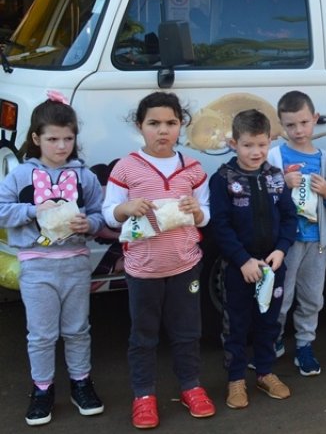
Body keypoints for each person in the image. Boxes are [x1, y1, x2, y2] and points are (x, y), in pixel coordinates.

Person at [102, 92, 214, 429]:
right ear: (140, 126)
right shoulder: (126, 168)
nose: (162, 131)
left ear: (181, 126)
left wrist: (198, 212)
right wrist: (125, 209)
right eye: (154, 123)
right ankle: (144, 395)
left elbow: (206, 214)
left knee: (187, 333)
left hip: (185, 264)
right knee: (144, 336)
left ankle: (191, 386)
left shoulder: (193, 169)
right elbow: (109, 214)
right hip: (143, 269)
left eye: (170, 123)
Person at [0, 98, 105, 426]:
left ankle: (81, 384)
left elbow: (101, 216)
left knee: (77, 330)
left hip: (75, 262)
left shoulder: (84, 176)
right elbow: (1, 209)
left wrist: (89, 225)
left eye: (68, 139)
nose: (62, 146)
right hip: (37, 265)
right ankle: (42, 388)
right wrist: (33, 210)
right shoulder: (20, 175)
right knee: (41, 334)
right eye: (53, 139)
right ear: (36, 139)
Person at [208, 109, 297, 408]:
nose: (256, 152)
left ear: (269, 142)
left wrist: (281, 249)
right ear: (234, 144)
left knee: (269, 323)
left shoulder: (275, 176)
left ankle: (265, 373)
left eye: (262, 144)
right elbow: (219, 225)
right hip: (239, 269)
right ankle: (235, 380)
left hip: (273, 266)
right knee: (236, 325)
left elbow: (289, 217)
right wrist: (242, 260)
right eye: (248, 145)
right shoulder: (222, 179)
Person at [266, 91, 326, 377]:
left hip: (317, 241)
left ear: (315, 119)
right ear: (282, 126)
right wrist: (281, 183)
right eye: (291, 125)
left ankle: (305, 345)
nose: (298, 130)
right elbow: (262, 195)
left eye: (304, 123)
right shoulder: (274, 155)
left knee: (312, 297)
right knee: (281, 296)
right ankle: (272, 341)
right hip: (286, 242)